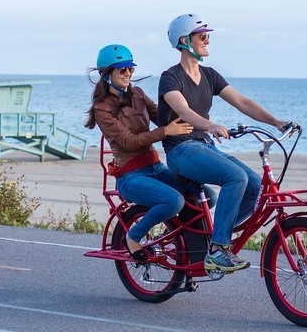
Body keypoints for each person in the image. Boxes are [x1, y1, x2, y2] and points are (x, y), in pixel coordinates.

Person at [157, 14, 290, 272]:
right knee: (235, 177)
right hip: (181, 150)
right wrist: (211, 125)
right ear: (185, 41)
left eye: (208, 36)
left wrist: (276, 122)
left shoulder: (209, 75)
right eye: (202, 36)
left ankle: (217, 236)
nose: (208, 41)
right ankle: (218, 250)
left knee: (254, 186)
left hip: (205, 147)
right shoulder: (170, 77)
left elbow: (242, 102)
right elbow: (183, 110)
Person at [85, 44, 216, 261]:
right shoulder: (102, 109)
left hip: (155, 167)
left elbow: (163, 117)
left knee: (206, 196)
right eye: (122, 70)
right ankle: (133, 237)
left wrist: (197, 121)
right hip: (130, 176)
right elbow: (128, 141)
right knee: (174, 201)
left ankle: (173, 236)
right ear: (106, 74)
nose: (128, 74)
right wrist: (165, 131)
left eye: (131, 69)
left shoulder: (137, 94)